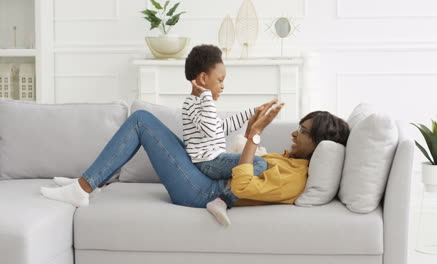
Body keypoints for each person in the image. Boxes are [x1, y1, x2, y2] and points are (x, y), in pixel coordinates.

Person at [40, 101, 349, 226]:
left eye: (303, 132)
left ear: (319, 143)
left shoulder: (295, 177)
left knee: (141, 122)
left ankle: (83, 186)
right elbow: (242, 162)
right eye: (299, 127)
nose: (295, 133)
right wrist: (250, 133)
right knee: (145, 122)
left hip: (199, 193)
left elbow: (242, 185)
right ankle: (89, 180)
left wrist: (254, 136)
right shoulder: (291, 160)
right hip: (205, 182)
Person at [181, 44, 273, 224]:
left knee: (255, 161)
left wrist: (252, 112)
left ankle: (228, 194)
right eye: (220, 80)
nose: (223, 86)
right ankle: (222, 201)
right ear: (203, 78)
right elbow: (209, 130)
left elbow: (221, 128)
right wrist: (206, 94)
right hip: (208, 162)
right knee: (259, 163)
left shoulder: (203, 104)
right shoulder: (192, 104)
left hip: (216, 158)